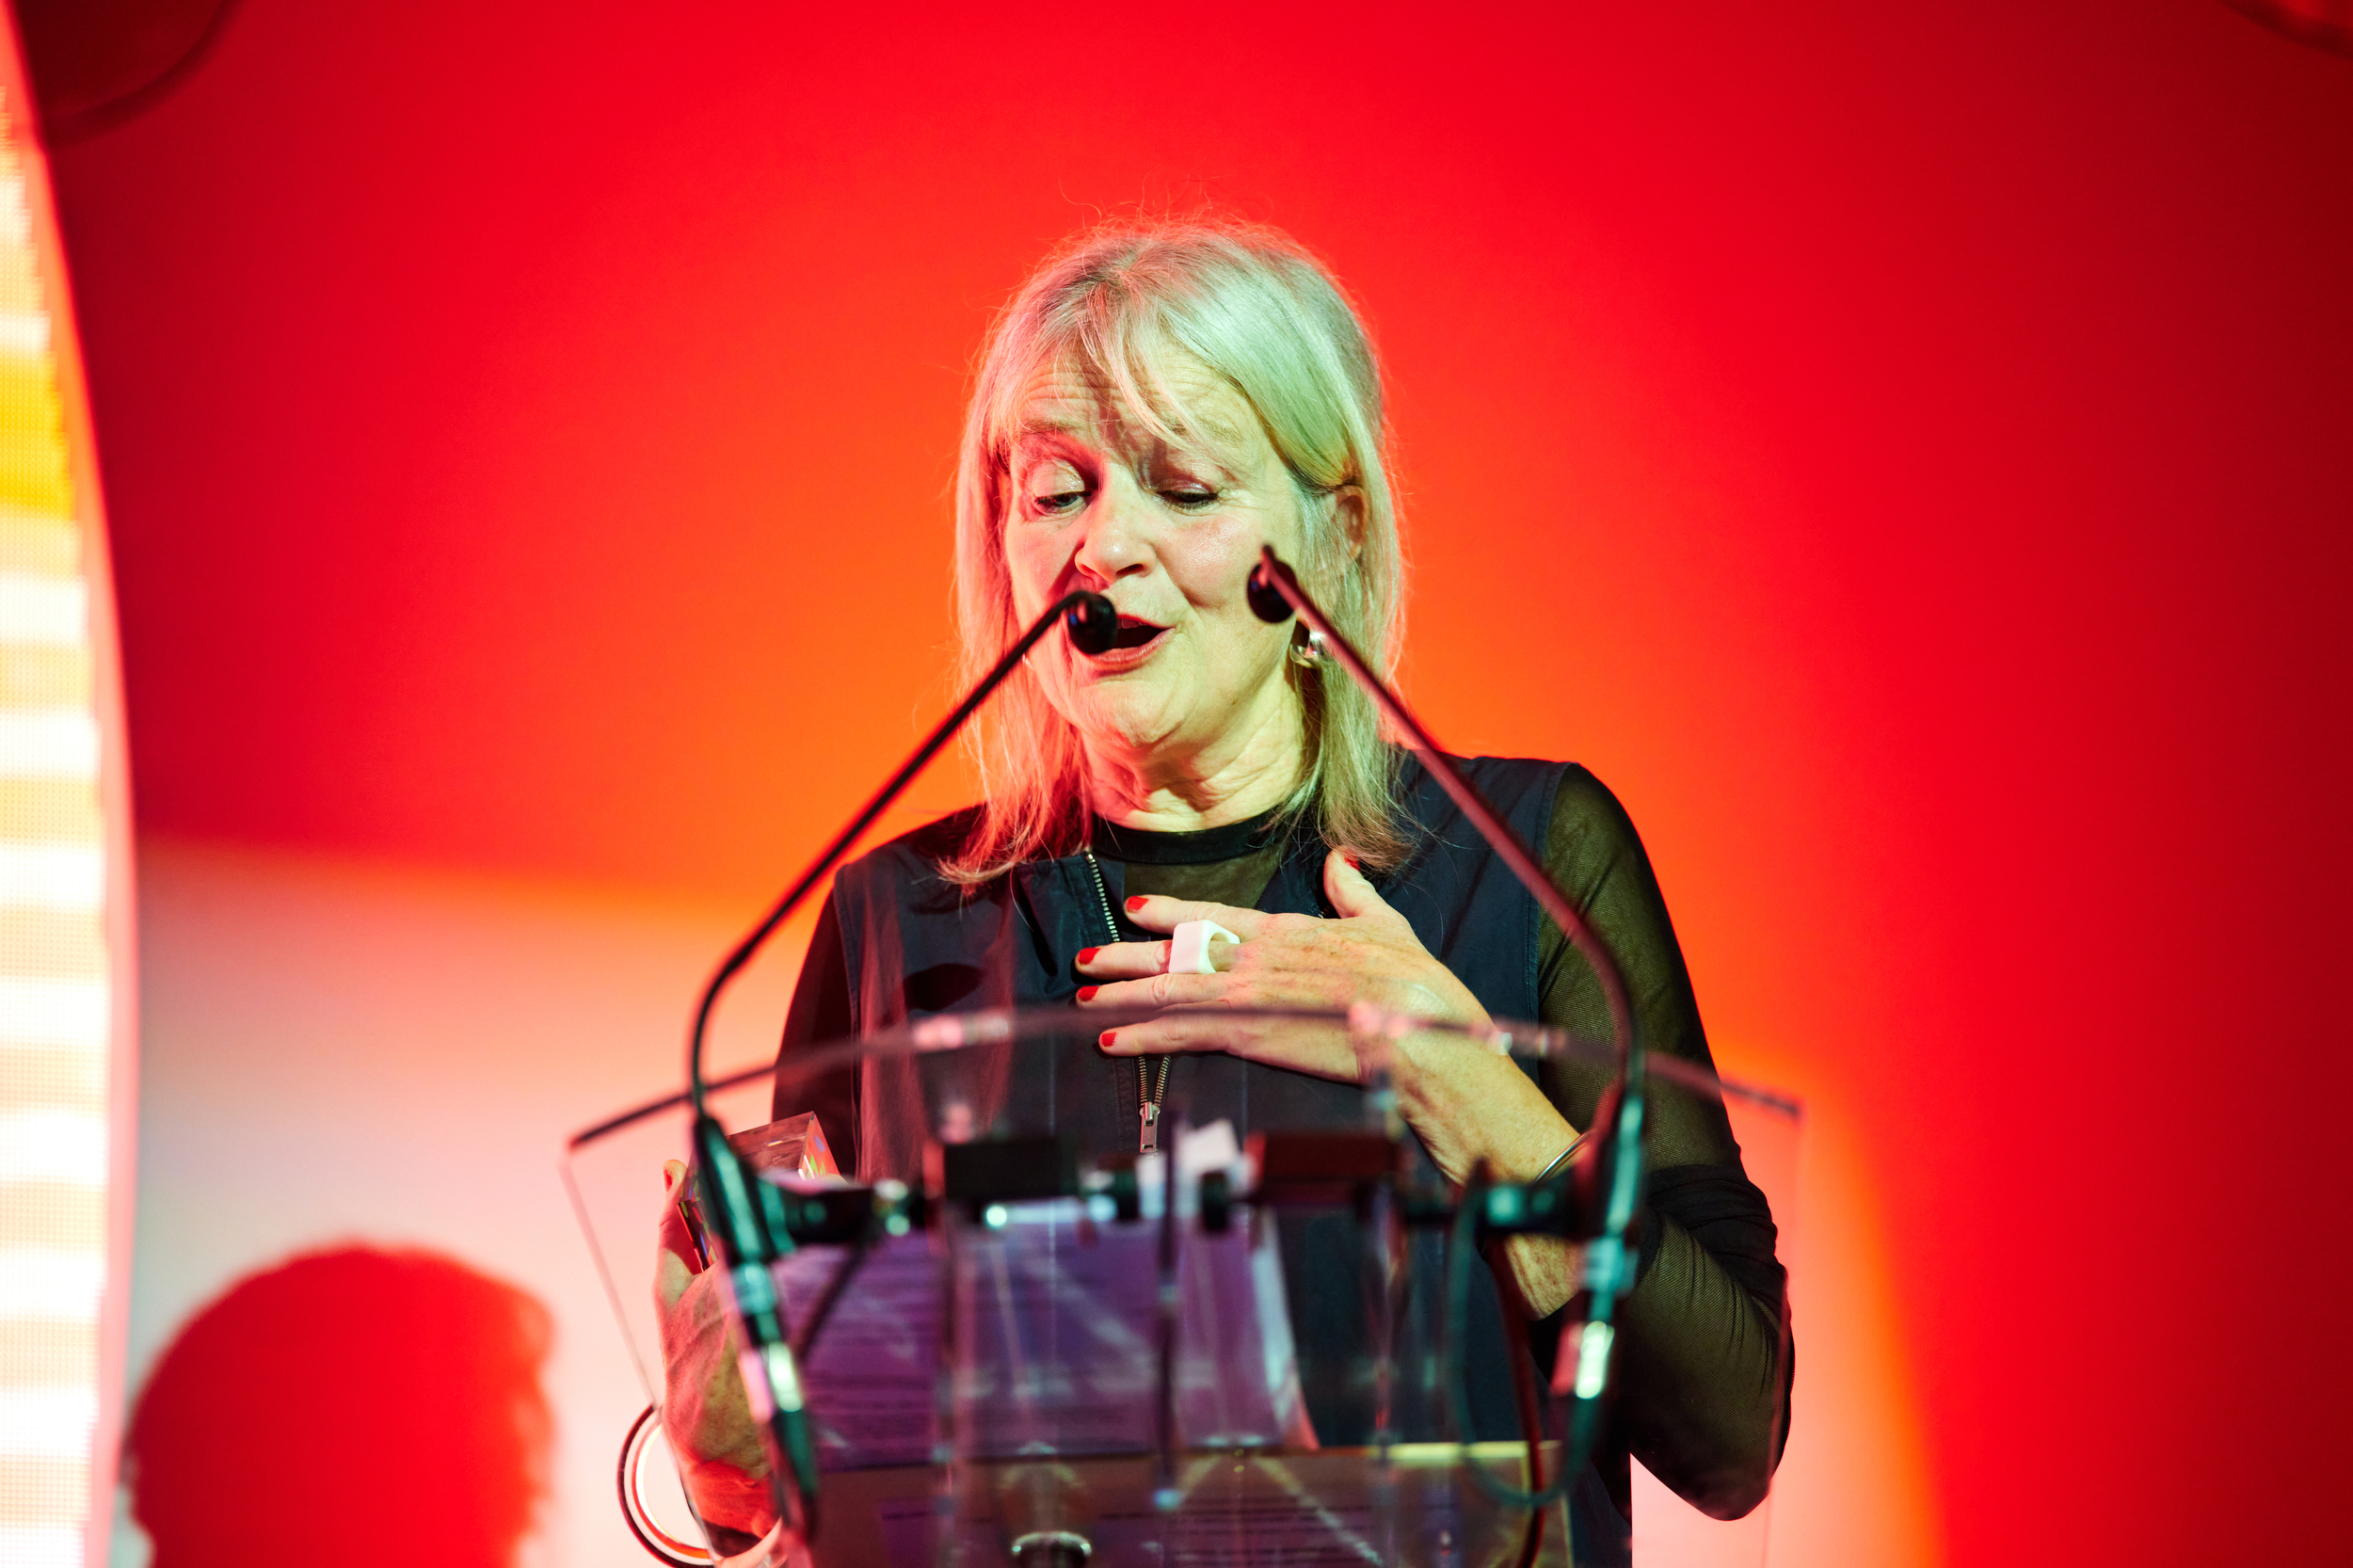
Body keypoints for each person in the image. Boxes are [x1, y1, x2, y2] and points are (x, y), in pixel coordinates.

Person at [660, 221, 1788, 1564]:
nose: (1102, 548)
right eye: (1054, 492)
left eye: (1183, 486)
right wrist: (727, 1457)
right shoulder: (899, 921)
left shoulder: (1525, 863)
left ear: (1329, 537)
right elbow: (782, 1480)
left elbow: (1733, 1435)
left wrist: (1468, 1090)